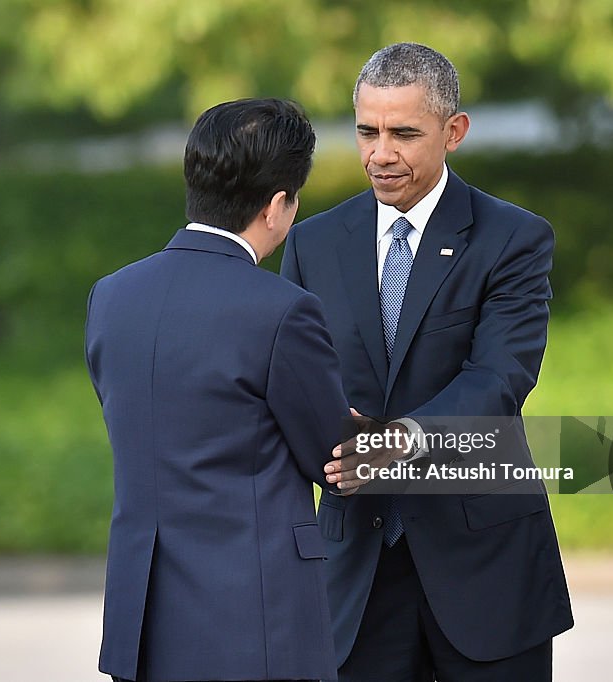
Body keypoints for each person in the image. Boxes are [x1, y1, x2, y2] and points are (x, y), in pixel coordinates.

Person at [280, 43, 574, 681]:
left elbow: (501, 380)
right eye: (367, 131)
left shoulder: (515, 239)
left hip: (485, 561)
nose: (380, 154)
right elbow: (299, 384)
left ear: (454, 131)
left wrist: (401, 440)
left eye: (404, 133)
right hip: (355, 566)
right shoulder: (312, 243)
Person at [85, 98, 355, 682]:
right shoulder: (282, 312)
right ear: (279, 205)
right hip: (256, 625)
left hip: (143, 623)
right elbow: (337, 457)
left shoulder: (110, 297)